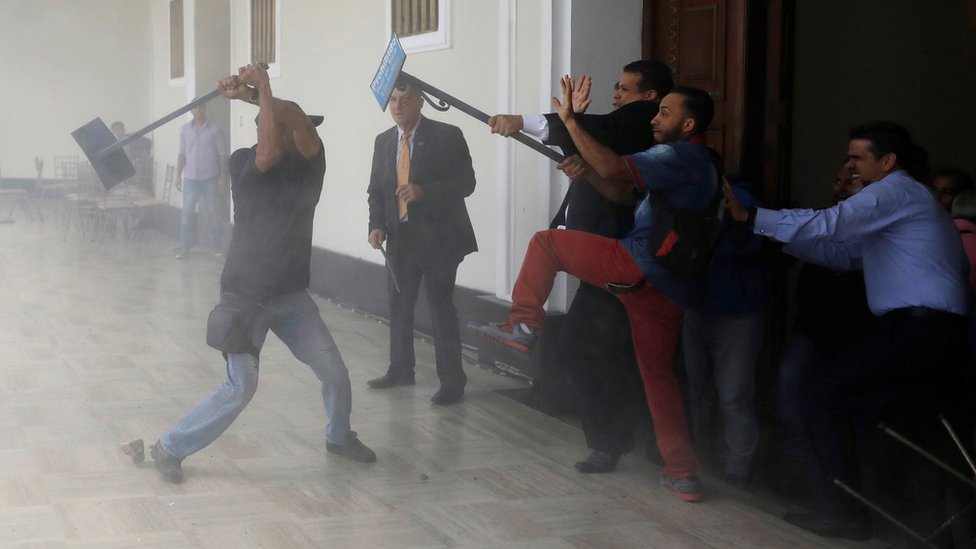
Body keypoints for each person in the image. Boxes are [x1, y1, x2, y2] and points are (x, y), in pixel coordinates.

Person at [472, 79, 720, 502]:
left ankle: (524, 325)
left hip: (638, 266)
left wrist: (571, 121)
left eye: (665, 112)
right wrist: (585, 170)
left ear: (689, 124)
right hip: (671, 290)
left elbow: (614, 169)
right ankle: (683, 474)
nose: (655, 119)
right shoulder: (705, 162)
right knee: (658, 378)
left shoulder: (676, 154)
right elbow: (623, 194)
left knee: (546, 243)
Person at [724, 121, 970, 540]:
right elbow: (841, 254)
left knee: (824, 394)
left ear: (887, 161)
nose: (851, 165)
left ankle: (844, 512)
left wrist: (752, 216)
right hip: (924, 330)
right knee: (866, 410)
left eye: (858, 157)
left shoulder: (895, 191)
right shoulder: (902, 201)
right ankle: (887, 513)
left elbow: (832, 224)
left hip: (921, 328)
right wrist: (763, 229)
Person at [149, 63, 376, 483]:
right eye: (295, 126)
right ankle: (169, 446)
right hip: (245, 295)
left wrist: (255, 93)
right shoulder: (242, 163)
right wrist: (263, 90)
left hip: (291, 296)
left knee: (335, 373)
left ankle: (339, 436)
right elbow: (268, 153)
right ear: (274, 130)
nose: (307, 133)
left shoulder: (310, 167)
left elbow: (297, 130)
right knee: (240, 387)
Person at [487, 60, 673, 474]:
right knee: (597, 348)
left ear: (650, 98)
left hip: (621, 260)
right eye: (616, 87)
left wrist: (525, 121)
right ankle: (622, 441)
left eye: (625, 89)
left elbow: (604, 141)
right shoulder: (622, 131)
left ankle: (624, 443)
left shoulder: (642, 120)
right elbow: (597, 155)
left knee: (598, 348)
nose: (616, 95)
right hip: (603, 258)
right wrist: (575, 139)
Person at [365, 78, 477, 406]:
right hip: (400, 239)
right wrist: (376, 225)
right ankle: (400, 369)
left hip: (440, 239)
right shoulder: (384, 141)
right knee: (399, 304)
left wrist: (424, 191)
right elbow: (376, 191)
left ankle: (452, 382)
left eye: (405, 99)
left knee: (440, 307)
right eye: (393, 100)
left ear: (420, 102)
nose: (397, 106)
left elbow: (467, 183)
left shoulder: (447, 135)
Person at [771, 162, 874, 498]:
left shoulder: (875, 224)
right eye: (838, 179)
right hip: (812, 327)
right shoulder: (823, 219)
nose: (841, 185)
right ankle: (807, 480)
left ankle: (837, 494)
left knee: (834, 409)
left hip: (854, 332)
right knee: (791, 397)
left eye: (852, 179)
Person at [680, 177, 764, 489]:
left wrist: (704, 242)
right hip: (695, 308)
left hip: (737, 314)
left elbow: (752, 242)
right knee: (691, 389)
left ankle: (737, 468)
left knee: (733, 395)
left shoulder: (739, 198)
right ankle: (690, 459)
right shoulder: (684, 194)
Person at [174, 104, 228, 259]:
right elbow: (182, 154)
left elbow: (222, 154)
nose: (198, 110)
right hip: (191, 178)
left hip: (210, 178)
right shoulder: (185, 129)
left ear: (205, 109)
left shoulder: (215, 129)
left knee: (214, 213)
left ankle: (216, 247)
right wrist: (178, 175)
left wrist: (223, 177)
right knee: (186, 213)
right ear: (191, 111)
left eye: (201, 108)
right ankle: (185, 248)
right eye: (195, 108)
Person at [110, 121, 153, 190]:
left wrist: (145, 151)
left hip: (134, 162)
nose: (118, 132)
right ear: (113, 132)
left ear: (123, 129)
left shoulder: (131, 137)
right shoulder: (113, 143)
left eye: (119, 129)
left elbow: (148, 141)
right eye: (115, 130)